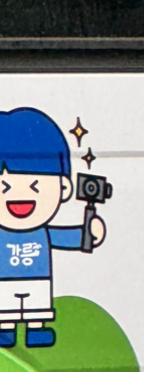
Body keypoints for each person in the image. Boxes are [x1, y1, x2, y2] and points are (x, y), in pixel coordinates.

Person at [0, 108, 106, 347]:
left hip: (38, 280)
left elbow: (65, 237)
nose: (18, 195)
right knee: (6, 309)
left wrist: (88, 233)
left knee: (35, 308)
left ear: (64, 188)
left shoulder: (42, 232)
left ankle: (35, 330)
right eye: (4, 188)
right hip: (4, 282)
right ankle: (5, 330)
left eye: (35, 186)